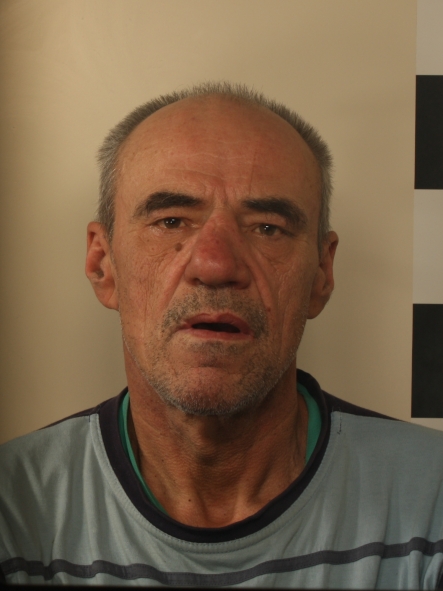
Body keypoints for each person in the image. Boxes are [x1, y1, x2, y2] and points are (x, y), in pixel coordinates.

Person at [1, 82, 443, 588]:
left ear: (321, 274)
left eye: (267, 228)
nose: (215, 265)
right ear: (103, 265)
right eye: (171, 221)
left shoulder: (432, 499)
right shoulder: (15, 506)